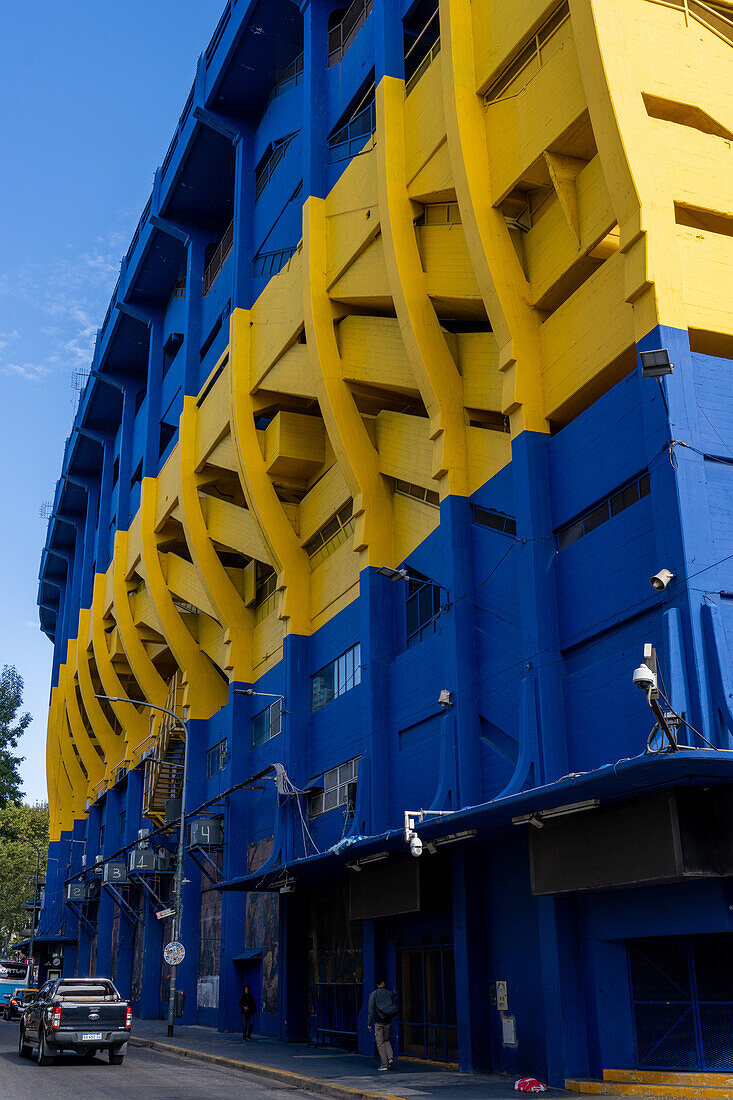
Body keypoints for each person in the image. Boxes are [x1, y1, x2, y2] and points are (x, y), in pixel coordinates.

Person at [367, 978, 398, 1072]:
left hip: (378, 1022)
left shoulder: (373, 994)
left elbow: (371, 1011)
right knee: (387, 1040)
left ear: (377, 984)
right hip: (388, 1022)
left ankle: (384, 1064)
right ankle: (390, 1058)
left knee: (380, 1043)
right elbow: (394, 1007)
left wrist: (369, 1024)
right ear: (384, 983)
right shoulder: (390, 993)